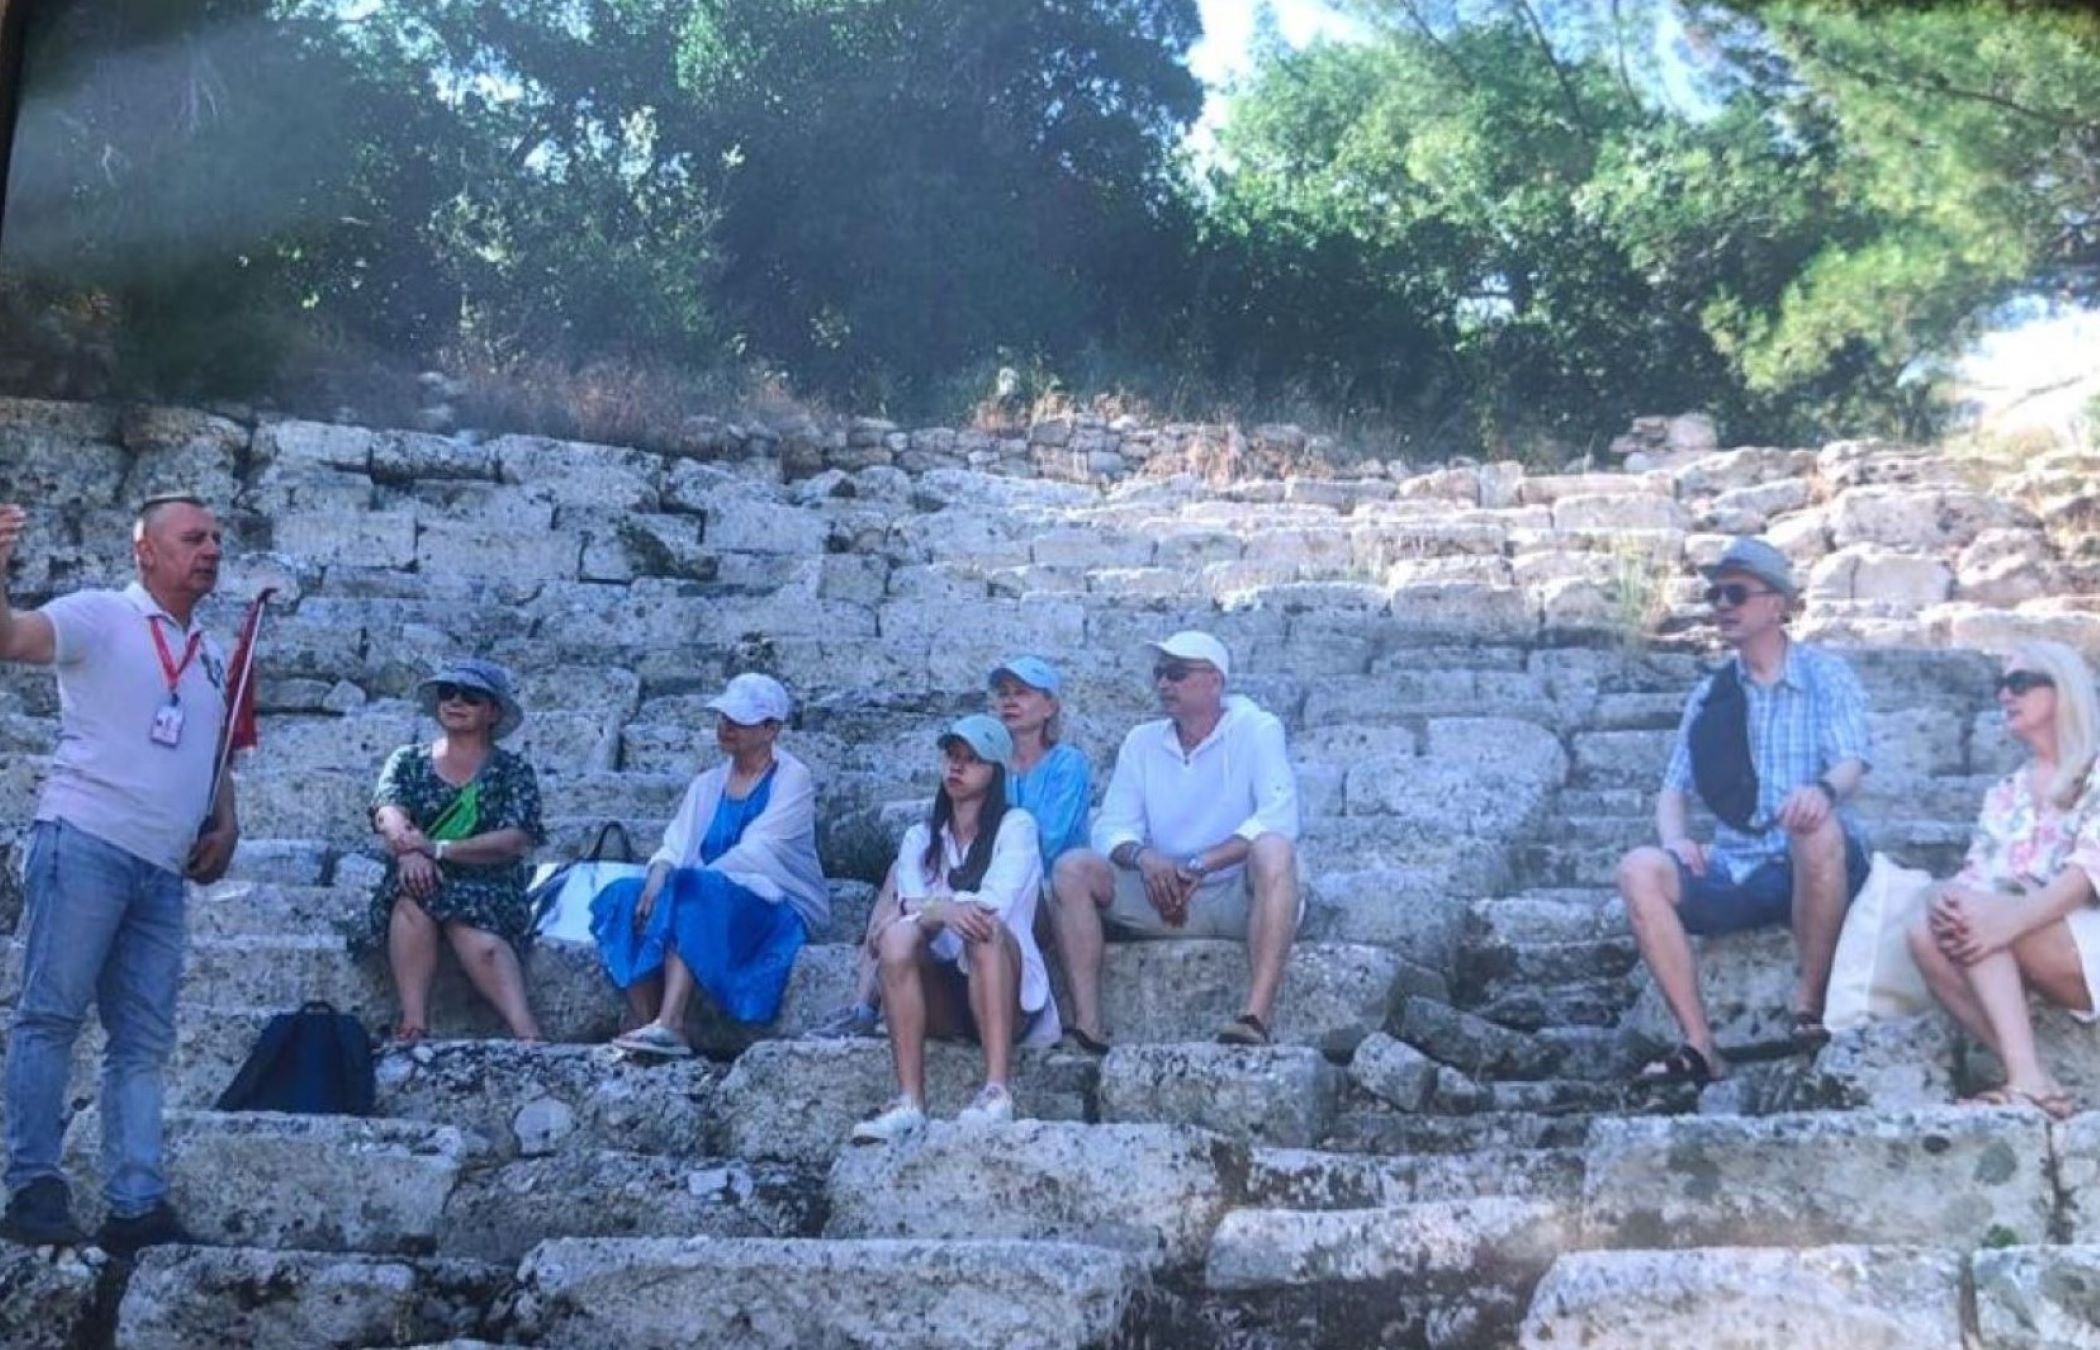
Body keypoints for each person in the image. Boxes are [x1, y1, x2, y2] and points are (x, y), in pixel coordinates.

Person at [0, 495, 239, 1253]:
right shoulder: (101, 613)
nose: (212, 549)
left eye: (216, 538)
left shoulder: (210, 650)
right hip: (85, 842)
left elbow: (213, 746)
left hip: (162, 870)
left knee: (142, 1043)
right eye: (193, 538)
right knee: (50, 1018)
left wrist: (226, 819)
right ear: (146, 551)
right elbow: (11, 638)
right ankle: (32, 1186)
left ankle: (136, 1204)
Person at [1616, 537, 1873, 1085]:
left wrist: (1822, 792)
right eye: (1715, 596)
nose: (1722, 605)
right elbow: (1673, 788)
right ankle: (1699, 1045)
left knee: (1814, 826)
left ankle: (1809, 1007)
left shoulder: (1825, 675)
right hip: (1737, 867)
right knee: (1639, 868)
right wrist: (1675, 840)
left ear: (1776, 604)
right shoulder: (1712, 694)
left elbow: (1852, 759)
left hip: (1810, 861)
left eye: (1736, 593)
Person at [810, 655, 1090, 1040]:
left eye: (1022, 693)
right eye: (1003, 693)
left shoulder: (1067, 763)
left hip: (1037, 891)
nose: (1009, 701)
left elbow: (1049, 841)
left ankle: (876, 993)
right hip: (978, 881)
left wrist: (976, 869)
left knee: (923, 897)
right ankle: (864, 1003)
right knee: (901, 870)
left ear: (1050, 706)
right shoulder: (984, 760)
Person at [1048, 631, 1302, 1051]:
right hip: (1164, 894)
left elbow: (1279, 816)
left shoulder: (1258, 728)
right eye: (1160, 673)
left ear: (1216, 680)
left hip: (1239, 895)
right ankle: (1087, 1027)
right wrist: (1146, 859)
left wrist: (1202, 864)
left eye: (1178, 673)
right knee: (1071, 869)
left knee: (1274, 849)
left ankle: (1255, 1017)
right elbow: (1111, 826)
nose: (1164, 683)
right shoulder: (1141, 740)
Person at [1908, 641, 2100, 1120]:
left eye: (2019, 683)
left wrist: (2006, 922)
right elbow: (1974, 879)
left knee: (1977, 912)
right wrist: (1940, 899)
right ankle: (2033, 1077)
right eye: (2001, 685)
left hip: (2086, 938)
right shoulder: (2005, 793)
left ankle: (2027, 1079)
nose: (2004, 696)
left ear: (2063, 690)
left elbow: (2086, 875)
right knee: (1924, 930)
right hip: (2029, 937)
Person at [592, 673, 827, 1057]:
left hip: (770, 906)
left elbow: (762, 850)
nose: (726, 727)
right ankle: (645, 1017)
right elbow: (676, 843)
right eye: (724, 718)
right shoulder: (706, 784)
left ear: (771, 729)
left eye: (739, 721)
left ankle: (672, 1021)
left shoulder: (792, 778)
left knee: (696, 889)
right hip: (699, 891)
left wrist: (680, 882)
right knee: (623, 894)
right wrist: (659, 872)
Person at [853, 715, 1057, 1142]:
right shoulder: (919, 837)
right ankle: (909, 1101)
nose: (957, 767)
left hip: (1006, 996)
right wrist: (937, 910)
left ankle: (996, 1091)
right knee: (897, 938)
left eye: (972, 759)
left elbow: (991, 904)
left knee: (983, 931)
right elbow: (908, 913)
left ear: (995, 771)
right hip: (943, 1001)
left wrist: (933, 908)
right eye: (951, 756)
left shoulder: (1017, 826)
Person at [368, 658, 545, 1044]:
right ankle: (413, 1022)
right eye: (448, 693)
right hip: (420, 873)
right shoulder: (407, 760)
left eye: (471, 696)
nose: (456, 702)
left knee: (473, 932)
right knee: (411, 899)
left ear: (493, 711)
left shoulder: (513, 771)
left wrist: (438, 849)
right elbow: (388, 810)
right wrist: (409, 853)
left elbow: (514, 838)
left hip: (491, 883)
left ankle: (526, 1030)